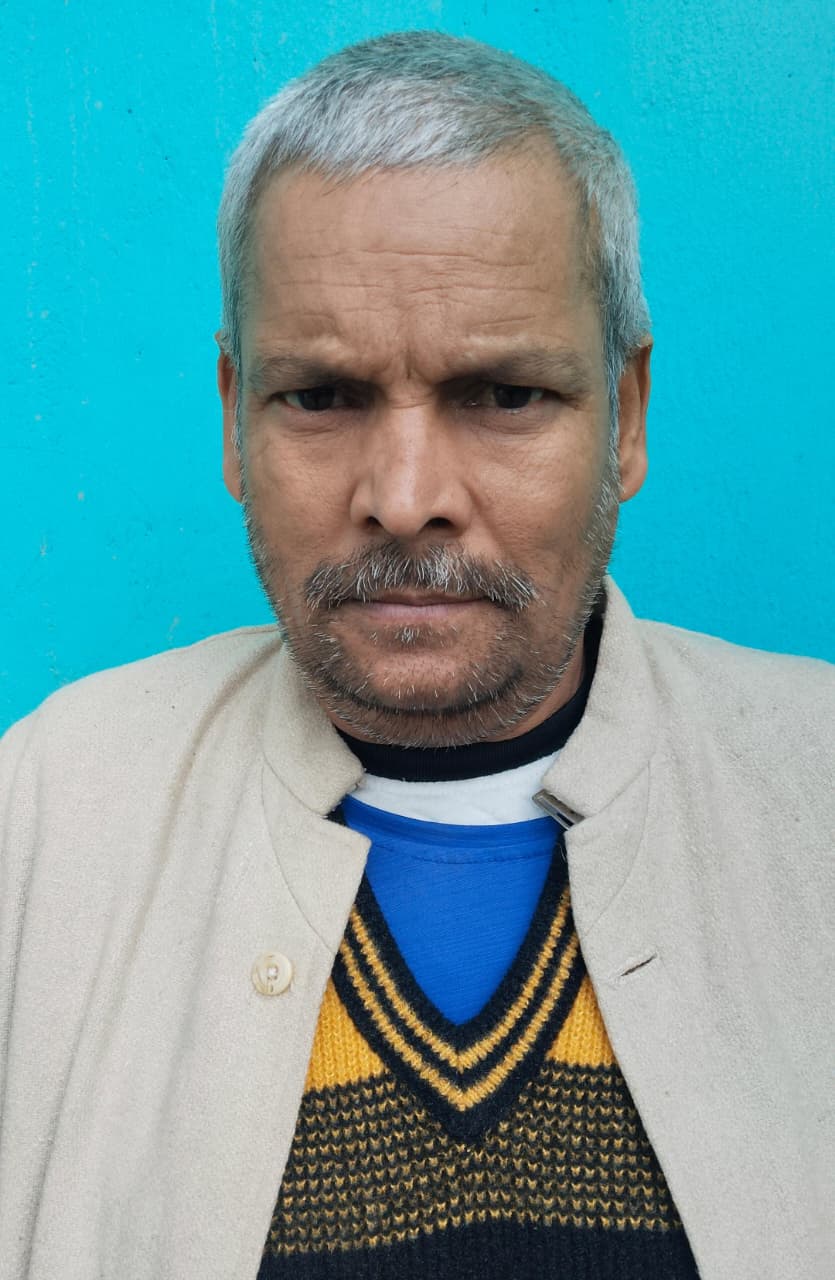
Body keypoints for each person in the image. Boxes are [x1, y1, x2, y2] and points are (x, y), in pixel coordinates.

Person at [0, 30, 831, 1280]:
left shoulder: (813, 787)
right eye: (320, 397)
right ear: (233, 418)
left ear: (625, 417)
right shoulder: (45, 814)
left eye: (502, 395)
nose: (403, 498)